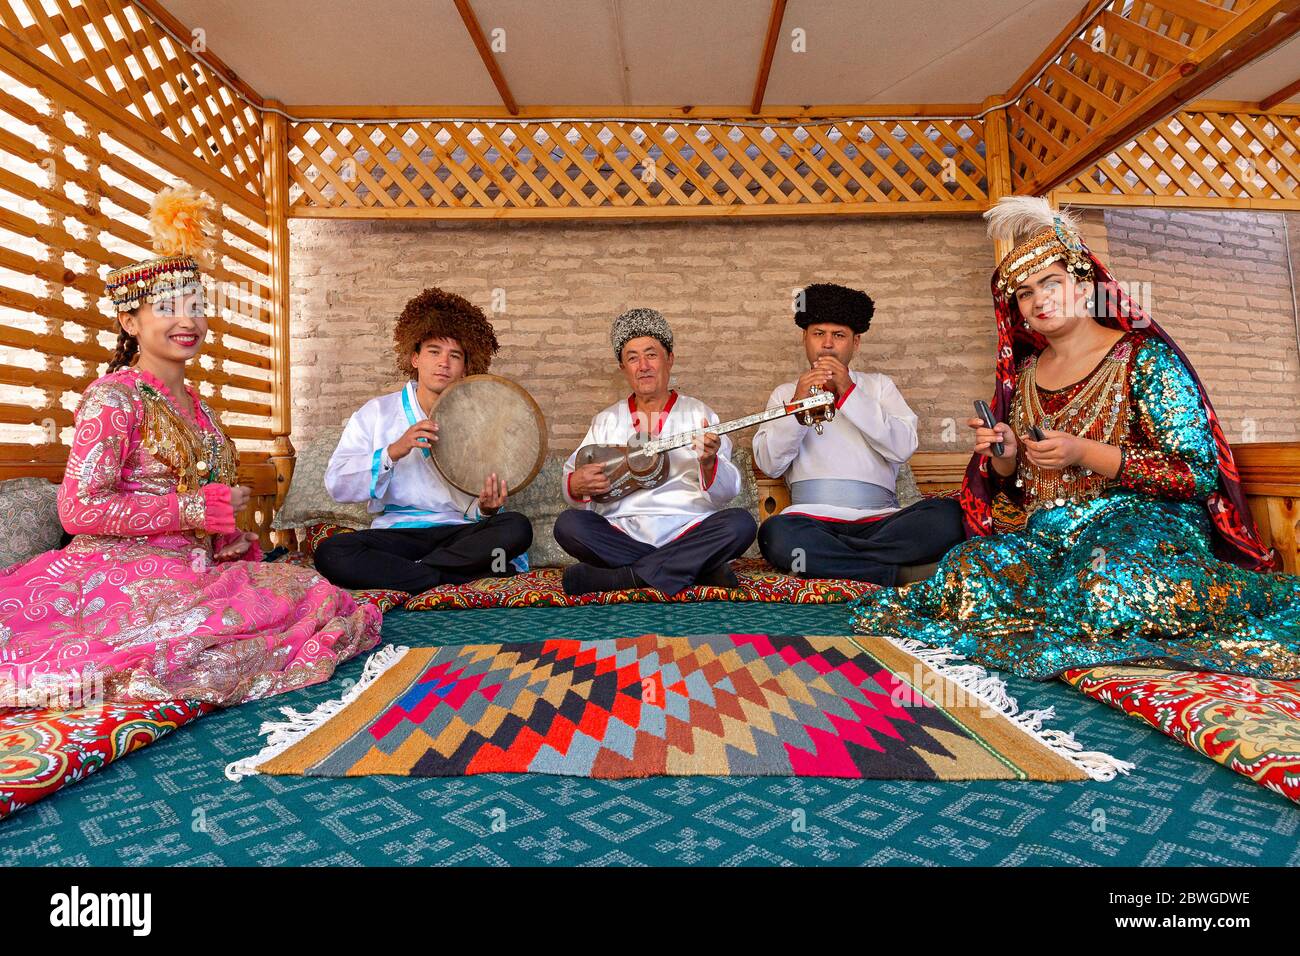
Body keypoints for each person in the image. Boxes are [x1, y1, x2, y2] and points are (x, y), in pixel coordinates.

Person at [849, 195, 1300, 681]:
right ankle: (1070, 602)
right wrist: (1005, 455)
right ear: (1017, 311)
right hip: (1050, 533)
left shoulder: (1143, 358)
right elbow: (1015, 484)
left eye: (1050, 282)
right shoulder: (1022, 376)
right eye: (1024, 292)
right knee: (969, 570)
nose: (1038, 298)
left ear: (1085, 287)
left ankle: (1267, 595)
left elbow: (1194, 475)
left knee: (1109, 585)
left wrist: (1083, 452)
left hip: (1141, 526)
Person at [0, 186, 381, 708]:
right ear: (130, 322)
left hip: (195, 566)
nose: (189, 320)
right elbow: (78, 508)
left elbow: (202, 498)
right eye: (168, 308)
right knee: (234, 629)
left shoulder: (199, 406)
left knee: (317, 594)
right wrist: (194, 509)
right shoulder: (114, 398)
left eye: (197, 307)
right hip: (122, 569)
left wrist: (220, 532)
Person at [314, 288, 533, 593]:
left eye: (454, 355)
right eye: (433, 351)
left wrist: (487, 510)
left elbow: (482, 502)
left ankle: (417, 575)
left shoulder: (481, 418)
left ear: (466, 367)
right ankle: (447, 575)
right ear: (414, 357)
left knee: (516, 528)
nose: (444, 362)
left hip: (458, 533)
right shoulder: (376, 412)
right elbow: (337, 484)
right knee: (331, 552)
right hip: (396, 536)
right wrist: (394, 451)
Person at [754, 282, 965, 584]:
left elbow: (902, 448)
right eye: (818, 334)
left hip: (881, 522)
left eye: (838, 335)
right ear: (805, 339)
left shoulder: (879, 387)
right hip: (812, 521)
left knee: (949, 516)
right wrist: (797, 409)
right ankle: (895, 572)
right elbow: (769, 464)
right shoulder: (785, 393)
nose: (827, 344)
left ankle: (839, 563)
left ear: (856, 343)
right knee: (776, 536)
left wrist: (849, 393)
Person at [556, 308, 756, 596]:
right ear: (623, 368)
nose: (643, 366)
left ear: (669, 359)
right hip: (623, 532)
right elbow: (572, 479)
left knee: (739, 524)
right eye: (632, 358)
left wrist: (710, 461)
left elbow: (727, 492)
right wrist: (576, 484)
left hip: (688, 529)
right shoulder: (606, 420)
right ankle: (695, 570)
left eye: (651, 354)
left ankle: (621, 578)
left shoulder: (699, 413)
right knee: (569, 525)